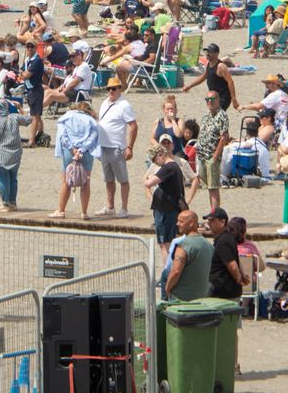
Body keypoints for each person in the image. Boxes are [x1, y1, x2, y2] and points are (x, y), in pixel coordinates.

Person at [94, 77, 138, 218]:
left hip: (117, 147)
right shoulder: (104, 103)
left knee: (122, 179)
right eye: (109, 89)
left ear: (120, 89)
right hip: (104, 146)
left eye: (114, 88)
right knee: (108, 179)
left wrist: (129, 147)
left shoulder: (124, 105)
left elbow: (133, 126)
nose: (111, 91)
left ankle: (124, 208)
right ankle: (110, 206)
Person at [52, 101, 100, 219]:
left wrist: (73, 149)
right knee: (86, 182)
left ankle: (61, 210)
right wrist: (82, 150)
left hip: (69, 152)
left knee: (66, 182)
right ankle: (84, 212)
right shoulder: (91, 120)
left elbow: (63, 136)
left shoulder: (67, 116)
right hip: (86, 152)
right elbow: (92, 137)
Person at [0, 99, 29, 212]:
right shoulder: (14, 118)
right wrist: (20, 108)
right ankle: (12, 202)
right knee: (13, 179)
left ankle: (5, 203)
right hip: (15, 154)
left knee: (3, 180)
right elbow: (29, 120)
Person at [144, 142, 187, 262]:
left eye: (154, 160)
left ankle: (168, 274)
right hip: (168, 208)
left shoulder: (168, 168)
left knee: (165, 244)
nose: (155, 163)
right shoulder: (173, 166)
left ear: (160, 155)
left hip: (166, 210)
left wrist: (150, 177)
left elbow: (148, 183)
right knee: (168, 243)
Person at [163, 209, 213, 301]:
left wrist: (167, 288)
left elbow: (176, 271)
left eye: (181, 221)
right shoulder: (208, 245)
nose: (177, 224)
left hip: (182, 298)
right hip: (202, 297)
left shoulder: (184, 245)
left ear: (190, 223)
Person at [204, 207, 247, 301]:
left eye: (212, 221)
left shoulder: (223, 241)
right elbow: (235, 260)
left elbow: (232, 266)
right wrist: (242, 276)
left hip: (224, 292)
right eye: (209, 221)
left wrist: (239, 281)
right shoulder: (226, 238)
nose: (209, 224)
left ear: (222, 222)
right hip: (225, 290)